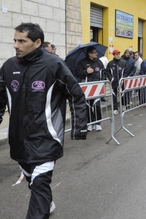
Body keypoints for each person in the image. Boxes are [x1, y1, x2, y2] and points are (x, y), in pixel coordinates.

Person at [0, 22, 87, 218]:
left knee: (39, 182)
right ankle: (46, 201)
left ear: (37, 42)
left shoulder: (53, 64)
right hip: (19, 141)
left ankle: (42, 205)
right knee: (33, 181)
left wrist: (79, 127)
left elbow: (76, 95)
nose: (16, 45)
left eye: (22, 41)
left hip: (47, 139)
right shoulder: (8, 66)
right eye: (15, 40)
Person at [75, 46, 106, 131]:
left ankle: (97, 123)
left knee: (96, 105)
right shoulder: (82, 63)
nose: (96, 54)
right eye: (94, 52)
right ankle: (90, 123)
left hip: (97, 87)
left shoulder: (99, 62)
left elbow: (103, 72)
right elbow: (77, 73)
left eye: (96, 52)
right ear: (89, 54)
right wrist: (86, 72)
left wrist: (102, 81)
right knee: (87, 106)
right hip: (87, 88)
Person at [106, 49, 127, 115]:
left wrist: (124, 78)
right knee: (114, 96)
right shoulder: (110, 63)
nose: (118, 56)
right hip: (114, 82)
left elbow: (126, 71)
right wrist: (111, 79)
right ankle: (115, 109)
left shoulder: (123, 62)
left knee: (123, 94)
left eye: (119, 54)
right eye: (116, 54)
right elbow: (107, 72)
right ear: (114, 55)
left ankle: (123, 106)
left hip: (121, 82)